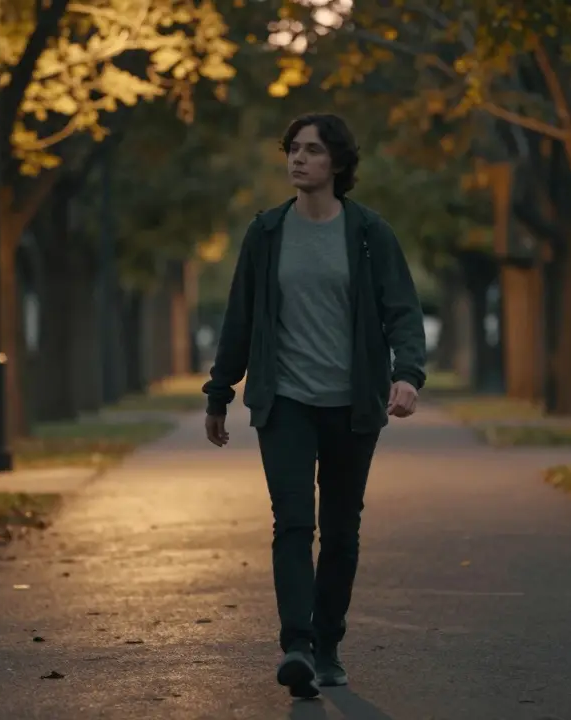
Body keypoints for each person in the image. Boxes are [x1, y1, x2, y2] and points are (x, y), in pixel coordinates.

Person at [201, 113, 427, 699]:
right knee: (294, 522)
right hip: (287, 403)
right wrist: (219, 392)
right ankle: (296, 646)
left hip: (353, 407)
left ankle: (328, 645)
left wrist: (408, 375)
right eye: (293, 150)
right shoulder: (267, 232)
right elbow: (240, 317)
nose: (298, 160)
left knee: (342, 532)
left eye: (312, 151)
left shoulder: (370, 233)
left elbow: (401, 310)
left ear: (339, 164)